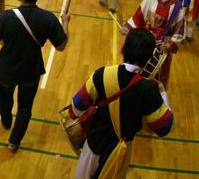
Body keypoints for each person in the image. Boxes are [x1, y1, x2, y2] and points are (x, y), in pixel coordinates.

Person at [71, 28, 173, 179]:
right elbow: (164, 128)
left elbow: (76, 107)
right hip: (121, 153)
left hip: (93, 147)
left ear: (124, 49)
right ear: (149, 58)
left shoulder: (102, 74)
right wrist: (163, 93)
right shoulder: (148, 89)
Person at [0, 0, 69, 152]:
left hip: (7, 69)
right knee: (25, 107)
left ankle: (6, 121)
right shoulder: (48, 18)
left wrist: (8, 39)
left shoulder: (6, 16)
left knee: (4, 99)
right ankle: (14, 142)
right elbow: (61, 46)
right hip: (30, 70)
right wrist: (65, 22)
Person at [121, 0, 184, 88]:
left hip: (161, 49)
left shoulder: (176, 7)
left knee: (156, 80)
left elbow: (179, 31)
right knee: (137, 75)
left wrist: (170, 44)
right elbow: (138, 17)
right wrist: (128, 28)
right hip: (145, 43)